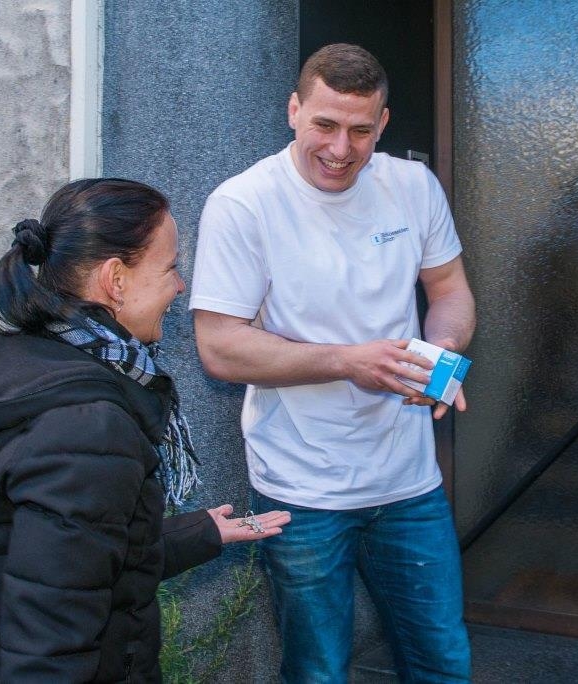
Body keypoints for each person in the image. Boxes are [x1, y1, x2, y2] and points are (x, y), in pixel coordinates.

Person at [191, 44, 476, 682]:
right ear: (293, 110)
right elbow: (219, 345)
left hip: (409, 481)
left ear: (383, 122)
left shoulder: (412, 187)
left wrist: (441, 358)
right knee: (317, 670)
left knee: (442, 660)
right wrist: (347, 362)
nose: (341, 149)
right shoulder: (244, 203)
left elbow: (450, 291)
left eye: (360, 130)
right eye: (324, 124)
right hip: (303, 486)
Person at [0, 178, 290, 683]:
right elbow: (50, 646)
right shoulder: (89, 427)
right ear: (115, 279)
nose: (180, 286)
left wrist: (198, 535)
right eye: (170, 267)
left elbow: (65, 557)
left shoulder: (20, 356)